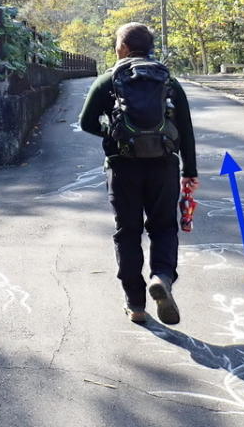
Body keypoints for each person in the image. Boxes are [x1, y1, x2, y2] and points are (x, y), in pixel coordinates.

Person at [77, 22, 199, 325]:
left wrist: (113, 132)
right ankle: (162, 277)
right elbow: (185, 130)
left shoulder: (109, 80)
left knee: (128, 232)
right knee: (163, 227)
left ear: (123, 47)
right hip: (164, 165)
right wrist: (190, 171)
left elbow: (86, 122)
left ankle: (135, 304)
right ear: (150, 47)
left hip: (123, 166)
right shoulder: (169, 81)